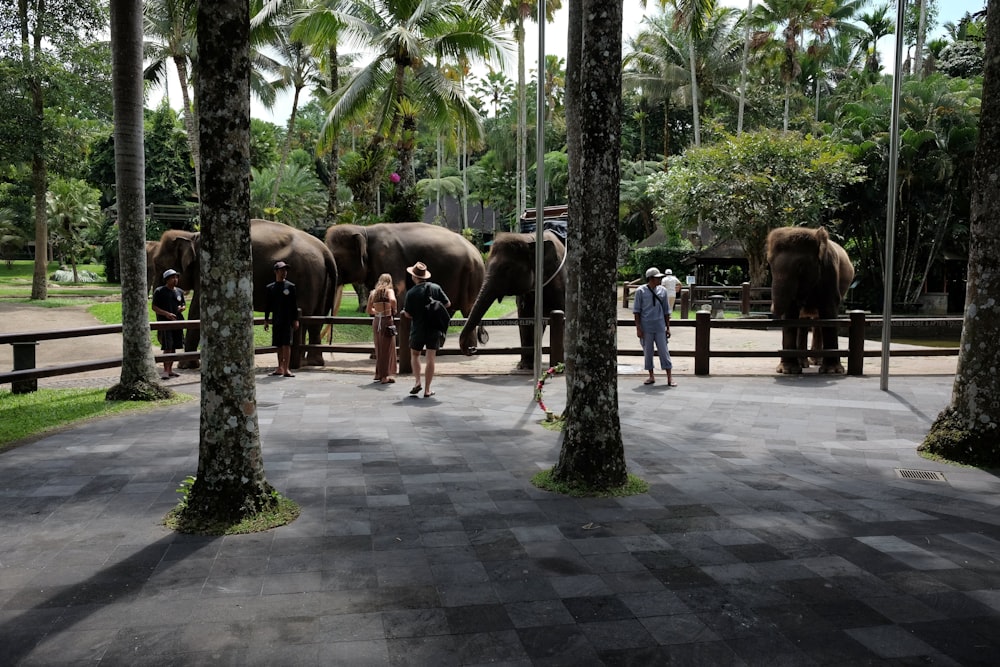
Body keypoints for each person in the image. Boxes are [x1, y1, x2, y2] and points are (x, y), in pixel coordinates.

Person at [402, 261, 450, 398]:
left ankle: (417, 381)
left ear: (414, 276)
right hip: (434, 328)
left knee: (415, 355)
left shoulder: (411, 293)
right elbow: (447, 303)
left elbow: (408, 314)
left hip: (418, 328)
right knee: (431, 358)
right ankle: (428, 389)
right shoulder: (436, 288)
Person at [633, 267, 675, 386]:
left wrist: (668, 327)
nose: (660, 280)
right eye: (657, 278)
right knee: (648, 351)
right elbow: (637, 311)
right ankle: (651, 375)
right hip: (646, 326)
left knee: (664, 351)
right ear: (651, 279)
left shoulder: (663, 291)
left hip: (660, 325)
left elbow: (666, 311)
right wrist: (638, 328)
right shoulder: (640, 291)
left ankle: (669, 377)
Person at [264, 260, 299, 377]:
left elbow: (294, 305)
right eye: (281, 270)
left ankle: (286, 368)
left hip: (287, 320)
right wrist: (266, 320)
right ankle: (279, 367)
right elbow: (268, 305)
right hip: (276, 319)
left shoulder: (291, 287)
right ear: (276, 272)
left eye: (285, 270)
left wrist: (295, 320)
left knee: (286, 344)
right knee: (278, 345)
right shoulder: (270, 288)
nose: (284, 272)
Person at [151, 268, 186, 380]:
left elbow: (183, 304)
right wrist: (166, 314)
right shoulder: (160, 291)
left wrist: (182, 308)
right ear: (166, 280)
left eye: (176, 277)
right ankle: (165, 370)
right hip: (165, 323)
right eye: (172, 278)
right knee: (167, 346)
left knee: (175, 346)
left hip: (177, 322)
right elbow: (154, 307)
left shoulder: (179, 291)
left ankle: (171, 370)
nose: (175, 280)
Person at [367, 273, 398, 384]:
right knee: (387, 348)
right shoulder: (389, 291)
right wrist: (394, 309)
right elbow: (393, 300)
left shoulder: (373, 293)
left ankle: (378, 374)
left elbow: (369, 310)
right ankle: (385, 376)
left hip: (376, 321)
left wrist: (378, 312)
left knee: (379, 347)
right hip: (386, 320)